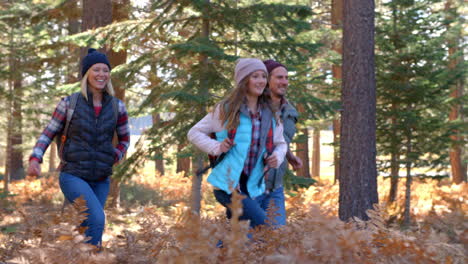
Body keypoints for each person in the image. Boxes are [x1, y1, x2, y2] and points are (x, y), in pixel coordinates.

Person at [27, 48, 130, 247]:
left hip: (101, 178)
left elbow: (125, 139)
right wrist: (35, 158)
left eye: (105, 70)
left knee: (90, 228)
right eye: (96, 70)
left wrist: (114, 156)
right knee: (98, 219)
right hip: (73, 174)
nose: (101, 74)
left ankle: (84, 259)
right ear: (86, 74)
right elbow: (48, 133)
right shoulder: (69, 103)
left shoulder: (118, 106)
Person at [187, 58, 287, 229]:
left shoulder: (270, 113)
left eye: (263, 76)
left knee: (243, 238)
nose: (261, 81)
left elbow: (281, 143)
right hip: (228, 187)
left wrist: (276, 157)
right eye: (255, 76)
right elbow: (194, 132)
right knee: (269, 228)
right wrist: (216, 147)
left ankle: (210, 252)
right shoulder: (225, 110)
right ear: (243, 80)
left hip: (255, 187)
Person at [255, 59, 302, 227]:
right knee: (242, 239)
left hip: (275, 187)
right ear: (267, 80)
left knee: (276, 238)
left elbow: (280, 140)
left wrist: (289, 155)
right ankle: (204, 253)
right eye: (279, 77)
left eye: (286, 78)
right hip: (251, 186)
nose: (285, 82)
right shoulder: (253, 108)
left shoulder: (289, 109)